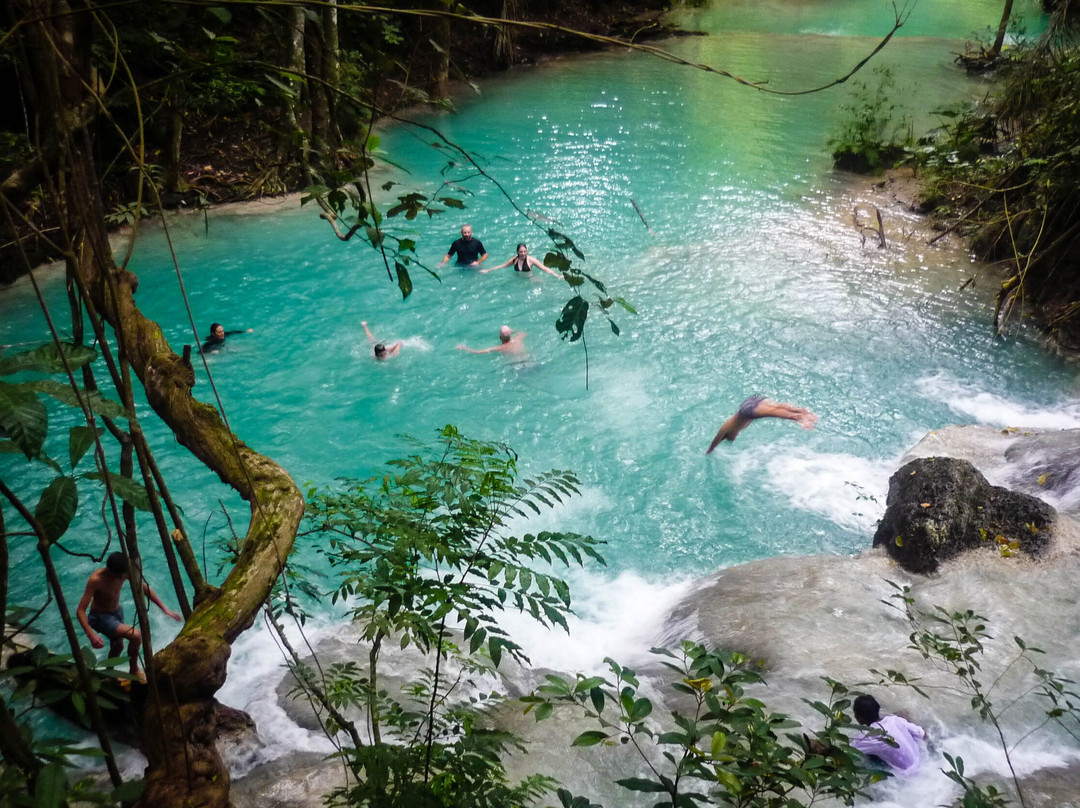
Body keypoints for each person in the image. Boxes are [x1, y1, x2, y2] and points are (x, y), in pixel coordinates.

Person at [76, 552, 183, 683]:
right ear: (111, 572)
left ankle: (109, 673)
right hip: (100, 617)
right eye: (120, 576)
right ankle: (134, 670)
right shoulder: (96, 580)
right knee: (136, 635)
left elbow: (143, 588)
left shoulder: (124, 572)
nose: (123, 578)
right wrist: (91, 635)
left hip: (116, 613)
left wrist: (166, 609)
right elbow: (80, 610)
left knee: (118, 647)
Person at [706, 396, 817, 452]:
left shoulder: (726, 428)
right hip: (750, 402)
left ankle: (798, 417)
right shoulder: (734, 427)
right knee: (776, 406)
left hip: (747, 412)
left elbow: (716, 440)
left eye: (732, 437)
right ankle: (801, 411)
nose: (734, 437)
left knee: (773, 412)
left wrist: (709, 451)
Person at [850, 694, 925, 775]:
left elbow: (848, 750)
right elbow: (922, 734)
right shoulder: (894, 719)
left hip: (906, 776)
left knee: (869, 756)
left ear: (860, 717)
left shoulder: (868, 737)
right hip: (921, 762)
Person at [481, 243, 562, 279]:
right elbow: (503, 266)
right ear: (517, 252)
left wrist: (557, 276)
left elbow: (544, 268)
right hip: (518, 280)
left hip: (530, 279)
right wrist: (488, 270)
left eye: (525, 251)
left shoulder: (531, 260)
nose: (523, 254)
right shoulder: (514, 260)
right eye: (521, 252)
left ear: (527, 251)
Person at [456, 325, 526, 358]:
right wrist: (512, 330)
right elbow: (523, 333)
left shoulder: (501, 348)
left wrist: (464, 348)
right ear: (510, 335)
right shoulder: (518, 339)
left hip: (518, 366)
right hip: (529, 359)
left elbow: (477, 352)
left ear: (500, 337)